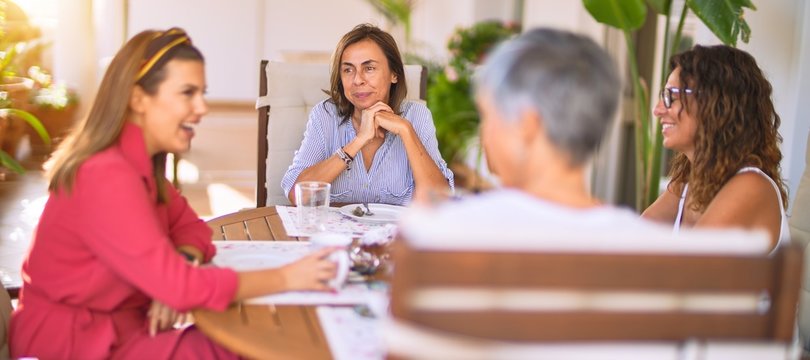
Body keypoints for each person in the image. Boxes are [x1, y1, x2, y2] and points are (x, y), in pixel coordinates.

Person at [10, 28, 338, 359]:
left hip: (124, 330)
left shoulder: (139, 167)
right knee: (250, 346)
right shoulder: (106, 176)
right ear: (138, 99)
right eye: (187, 93)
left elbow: (193, 229)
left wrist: (175, 269)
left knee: (251, 339)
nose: (202, 107)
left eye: (202, 93)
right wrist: (288, 277)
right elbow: (183, 288)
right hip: (74, 345)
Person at [400, 28, 668, 241]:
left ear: (527, 124)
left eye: (488, 116)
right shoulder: (651, 246)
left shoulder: (448, 231)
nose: (484, 133)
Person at [281, 23, 454, 206]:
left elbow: (440, 202)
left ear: (394, 74)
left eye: (369, 68)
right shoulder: (325, 115)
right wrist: (359, 141)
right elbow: (297, 194)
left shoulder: (417, 116)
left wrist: (406, 130)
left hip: (396, 234)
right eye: (348, 70)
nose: (357, 80)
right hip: (335, 234)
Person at [641, 45, 789, 249]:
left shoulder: (751, 186)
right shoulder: (687, 182)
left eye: (671, 96)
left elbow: (685, 270)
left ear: (717, 104)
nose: (658, 110)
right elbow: (632, 243)